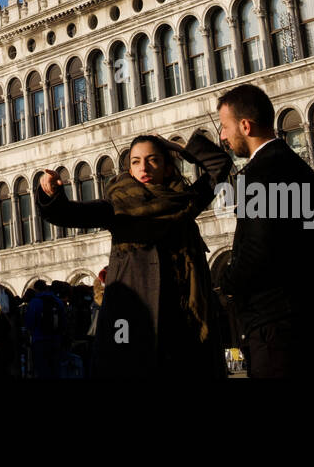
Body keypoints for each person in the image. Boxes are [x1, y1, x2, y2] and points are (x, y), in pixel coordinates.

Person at [35, 128, 233, 378]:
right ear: (129, 170)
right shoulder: (117, 207)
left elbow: (219, 165)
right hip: (132, 322)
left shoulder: (185, 201)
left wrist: (179, 147)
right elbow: (71, 213)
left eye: (153, 160)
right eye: (136, 162)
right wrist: (51, 194)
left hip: (182, 325)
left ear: (168, 167)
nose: (145, 168)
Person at [218, 84, 314, 378]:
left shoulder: (258, 175)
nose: (222, 136)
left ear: (245, 126)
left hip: (275, 323)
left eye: (224, 126)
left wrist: (228, 282)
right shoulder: (305, 172)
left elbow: (257, 248)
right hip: (313, 310)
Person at [24, 279, 67, 378]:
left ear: (36, 290)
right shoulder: (57, 301)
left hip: (39, 340)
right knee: (55, 369)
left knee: (43, 370)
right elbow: (63, 320)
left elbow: (29, 323)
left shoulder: (35, 302)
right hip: (55, 339)